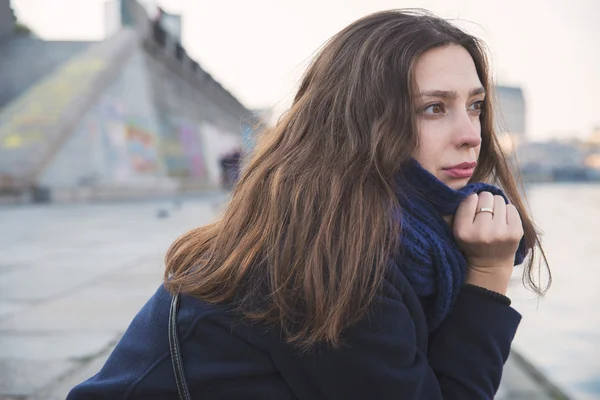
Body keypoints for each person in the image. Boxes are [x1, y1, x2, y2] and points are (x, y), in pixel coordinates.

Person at [67, 9, 550, 399]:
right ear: (361, 121)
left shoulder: (367, 221)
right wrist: (488, 275)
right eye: (433, 107)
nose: (471, 135)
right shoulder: (333, 253)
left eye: (476, 105)